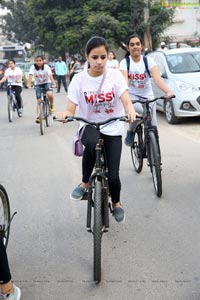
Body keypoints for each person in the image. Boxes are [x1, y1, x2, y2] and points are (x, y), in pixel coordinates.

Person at [57, 36, 138, 223]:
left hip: (113, 126)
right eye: (95, 57)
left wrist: (131, 111)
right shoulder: (78, 80)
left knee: (114, 176)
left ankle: (116, 203)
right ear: (87, 56)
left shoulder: (115, 76)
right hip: (89, 124)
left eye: (103, 57)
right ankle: (85, 183)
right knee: (92, 143)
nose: (99, 61)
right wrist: (65, 115)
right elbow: (71, 109)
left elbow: (126, 101)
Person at [119, 33, 174, 146]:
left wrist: (168, 91)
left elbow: (157, 79)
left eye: (138, 44)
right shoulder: (125, 63)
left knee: (153, 126)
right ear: (128, 48)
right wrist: (125, 99)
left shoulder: (148, 61)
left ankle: (155, 154)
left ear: (142, 46)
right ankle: (130, 131)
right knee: (138, 112)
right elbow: (124, 83)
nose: (135, 47)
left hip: (148, 96)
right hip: (132, 96)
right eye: (132, 44)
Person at [27, 55, 57, 124]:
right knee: (39, 101)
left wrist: (54, 83)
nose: (38, 62)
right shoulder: (33, 67)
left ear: (43, 61)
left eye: (40, 60)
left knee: (49, 94)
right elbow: (30, 75)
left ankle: (51, 104)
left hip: (47, 82)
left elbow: (50, 75)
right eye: (37, 61)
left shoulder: (46, 67)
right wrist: (28, 83)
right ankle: (38, 117)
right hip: (38, 84)